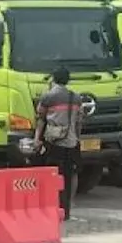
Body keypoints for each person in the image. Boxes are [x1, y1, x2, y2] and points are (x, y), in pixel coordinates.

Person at [34, 66, 83, 219]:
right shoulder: (76, 97)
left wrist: (37, 140)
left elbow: (41, 119)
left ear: (54, 79)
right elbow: (79, 122)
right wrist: (77, 138)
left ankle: (52, 206)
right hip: (72, 141)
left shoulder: (48, 97)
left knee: (53, 174)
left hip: (54, 142)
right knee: (70, 175)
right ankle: (67, 208)